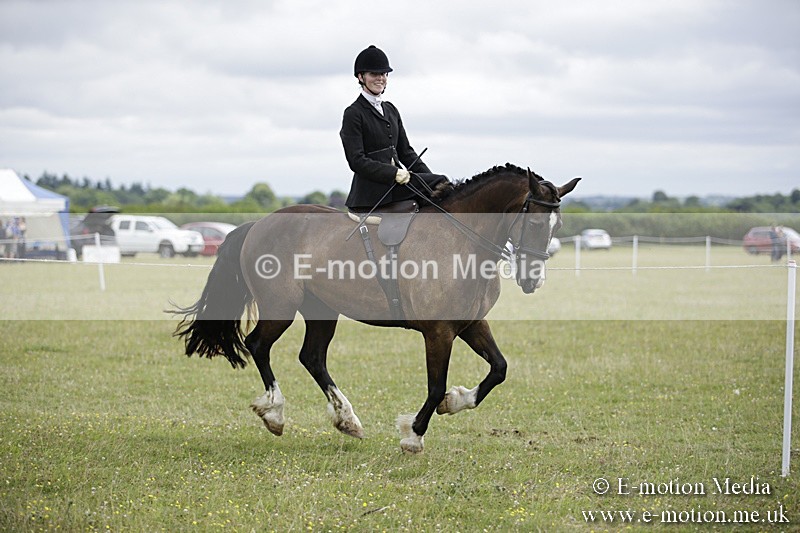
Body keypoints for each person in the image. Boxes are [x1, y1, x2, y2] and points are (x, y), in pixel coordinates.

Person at [340, 45, 450, 210]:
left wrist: (430, 178)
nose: (380, 78)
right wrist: (394, 173)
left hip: (396, 184)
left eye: (383, 74)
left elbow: (406, 152)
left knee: (441, 182)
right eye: (374, 74)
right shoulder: (353, 113)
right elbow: (356, 161)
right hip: (373, 191)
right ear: (361, 77)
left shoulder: (390, 110)